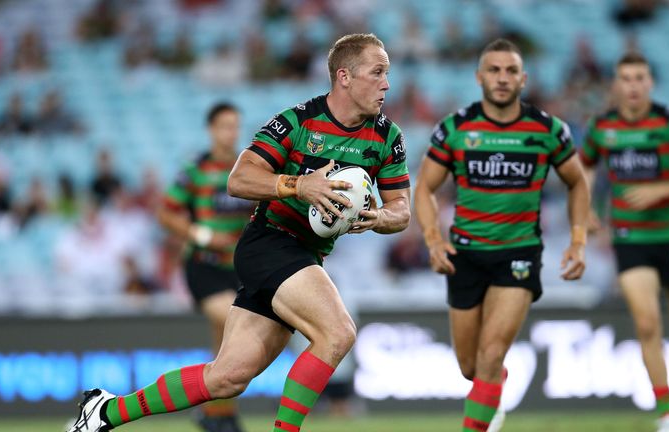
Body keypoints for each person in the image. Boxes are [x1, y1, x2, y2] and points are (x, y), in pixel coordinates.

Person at [67, 33, 411, 432]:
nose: (387, 83)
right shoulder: (297, 121)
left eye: (387, 72)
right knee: (337, 333)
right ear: (344, 76)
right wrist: (300, 185)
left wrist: (379, 217)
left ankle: (104, 413)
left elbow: (400, 209)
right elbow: (240, 178)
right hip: (270, 242)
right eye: (378, 72)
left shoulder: (388, 137)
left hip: (306, 258)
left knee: (227, 377)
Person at [414, 38, 589, 432]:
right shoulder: (456, 128)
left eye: (511, 71)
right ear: (479, 77)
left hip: (519, 254)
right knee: (471, 367)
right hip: (466, 254)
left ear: (523, 79)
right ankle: (495, 389)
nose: (502, 78)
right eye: (494, 70)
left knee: (491, 355)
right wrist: (432, 238)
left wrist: (578, 240)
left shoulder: (548, 130)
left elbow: (578, 183)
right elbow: (423, 187)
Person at [580, 52, 669, 432]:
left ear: (650, 83)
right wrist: (587, 206)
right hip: (630, 238)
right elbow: (586, 166)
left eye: (640, 77)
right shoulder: (602, 127)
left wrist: (662, 189)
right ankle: (668, 414)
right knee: (647, 325)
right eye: (626, 77)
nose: (633, 85)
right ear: (615, 83)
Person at [156, 102, 253, 432]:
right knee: (233, 324)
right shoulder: (196, 169)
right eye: (225, 125)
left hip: (239, 267)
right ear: (211, 130)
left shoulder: (248, 168)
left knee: (225, 342)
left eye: (235, 126)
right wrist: (202, 234)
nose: (231, 132)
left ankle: (219, 415)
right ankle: (212, 412)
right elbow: (166, 213)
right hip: (204, 266)